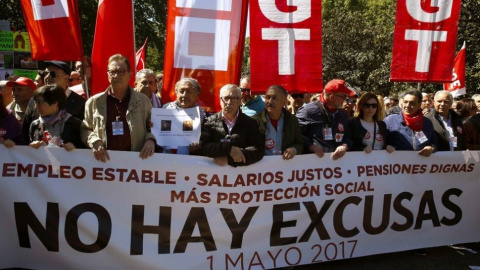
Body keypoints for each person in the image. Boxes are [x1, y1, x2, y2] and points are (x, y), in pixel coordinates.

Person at [81, 54, 156, 162]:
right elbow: (85, 129)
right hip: (104, 165)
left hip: (136, 163)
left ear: (130, 75)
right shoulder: (94, 102)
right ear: (107, 74)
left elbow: (153, 127)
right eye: (112, 72)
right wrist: (94, 141)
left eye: (121, 71)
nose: (116, 76)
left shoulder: (143, 101)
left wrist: (150, 140)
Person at [199, 84, 264, 167]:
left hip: (241, 177)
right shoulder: (209, 122)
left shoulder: (250, 123)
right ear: (220, 100)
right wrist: (228, 149)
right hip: (214, 176)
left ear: (240, 100)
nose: (229, 103)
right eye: (226, 98)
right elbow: (203, 147)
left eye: (234, 98)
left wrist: (229, 159)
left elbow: (258, 150)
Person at [22, 61, 86, 143]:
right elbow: (25, 132)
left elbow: (84, 134)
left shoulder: (79, 103)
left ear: (66, 78)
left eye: (53, 74)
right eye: (45, 73)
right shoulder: (34, 100)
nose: (47, 77)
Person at [296, 79, 354, 160]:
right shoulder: (308, 111)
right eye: (343, 96)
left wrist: (344, 146)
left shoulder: (342, 114)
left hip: (336, 164)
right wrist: (311, 146)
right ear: (332, 97)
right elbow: (295, 134)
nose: (345, 100)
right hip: (313, 165)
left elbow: (347, 136)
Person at [252, 85, 303, 160]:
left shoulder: (292, 120)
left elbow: (300, 143)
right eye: (267, 97)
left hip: (285, 166)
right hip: (262, 169)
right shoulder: (254, 121)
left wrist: (293, 149)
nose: (270, 101)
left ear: (284, 101)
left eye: (274, 98)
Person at [29, 85, 84, 151]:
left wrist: (75, 149)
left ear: (55, 103)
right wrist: (32, 146)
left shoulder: (74, 124)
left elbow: (87, 153)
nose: (36, 106)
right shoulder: (35, 125)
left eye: (39, 102)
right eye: (35, 102)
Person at [161, 77, 208, 154]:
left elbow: (205, 138)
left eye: (188, 92)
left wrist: (199, 145)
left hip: (189, 161)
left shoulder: (203, 115)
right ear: (176, 93)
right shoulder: (165, 109)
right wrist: (153, 126)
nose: (184, 95)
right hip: (166, 157)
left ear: (196, 95)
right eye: (181, 91)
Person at [384, 89, 436, 156]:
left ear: (419, 104)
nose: (407, 106)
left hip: (420, 164)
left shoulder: (427, 122)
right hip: (396, 163)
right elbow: (379, 142)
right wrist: (386, 147)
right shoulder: (390, 121)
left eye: (412, 103)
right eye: (405, 102)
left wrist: (431, 148)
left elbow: (434, 143)